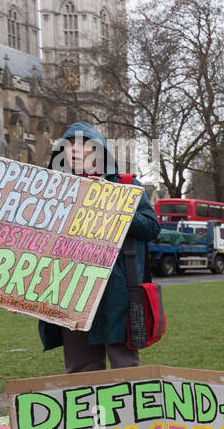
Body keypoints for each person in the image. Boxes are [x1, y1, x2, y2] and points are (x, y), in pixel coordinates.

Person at [38, 122, 159, 373]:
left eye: (82, 143)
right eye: (68, 144)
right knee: (80, 370)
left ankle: (128, 414)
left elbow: (150, 229)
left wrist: (116, 205)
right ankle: (91, 414)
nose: (74, 149)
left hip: (117, 295)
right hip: (69, 292)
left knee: (125, 368)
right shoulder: (52, 191)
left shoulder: (127, 184)